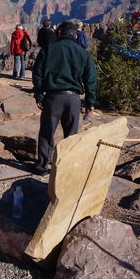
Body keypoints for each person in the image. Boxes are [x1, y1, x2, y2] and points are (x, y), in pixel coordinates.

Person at [32, 21, 97, 175]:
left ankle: (42, 166)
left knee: (47, 133)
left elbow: (37, 75)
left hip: (52, 99)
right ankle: (67, 169)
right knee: (71, 136)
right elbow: (91, 79)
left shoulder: (47, 49)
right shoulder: (84, 53)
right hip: (73, 99)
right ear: (75, 35)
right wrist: (90, 102)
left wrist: (39, 95)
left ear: (59, 33)